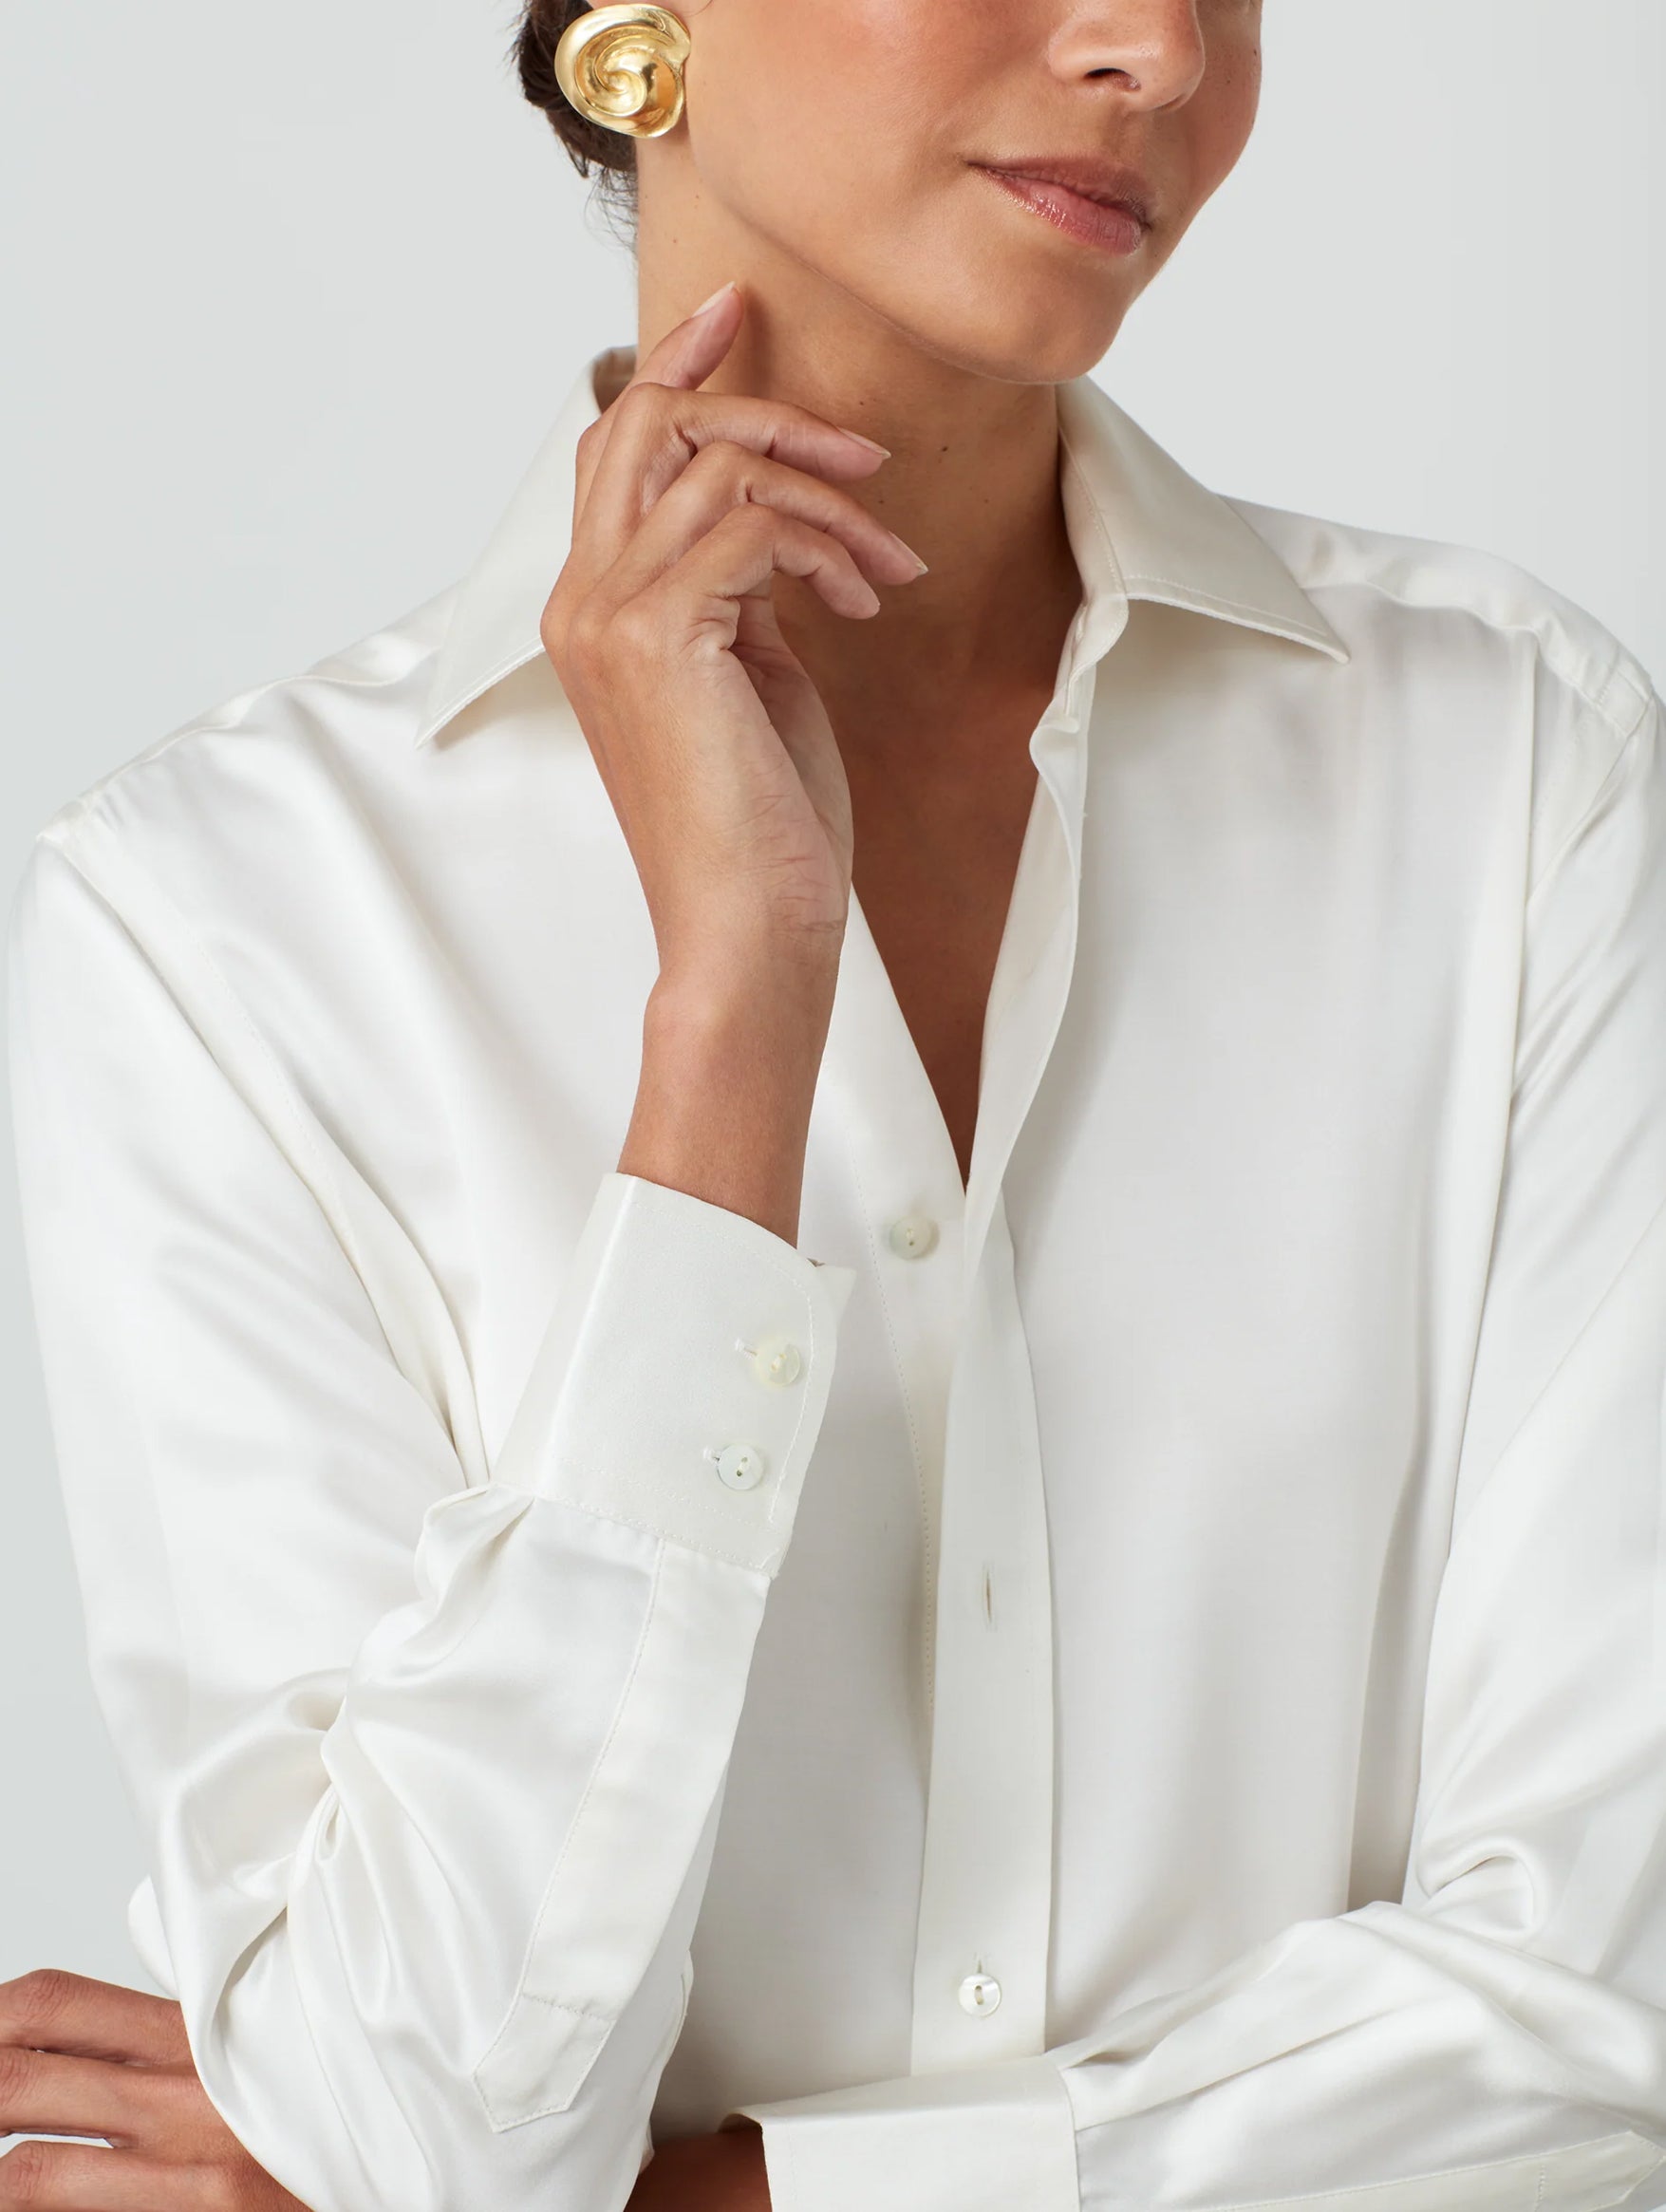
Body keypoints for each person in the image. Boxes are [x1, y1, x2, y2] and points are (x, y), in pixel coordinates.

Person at [4, 0, 1665, 2208]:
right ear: (635, 33)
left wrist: (701, 2198)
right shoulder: (216, 922)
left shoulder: (1512, 767)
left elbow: (1605, 2013)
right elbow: (431, 2118)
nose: (1158, 49)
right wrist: (732, 1016)